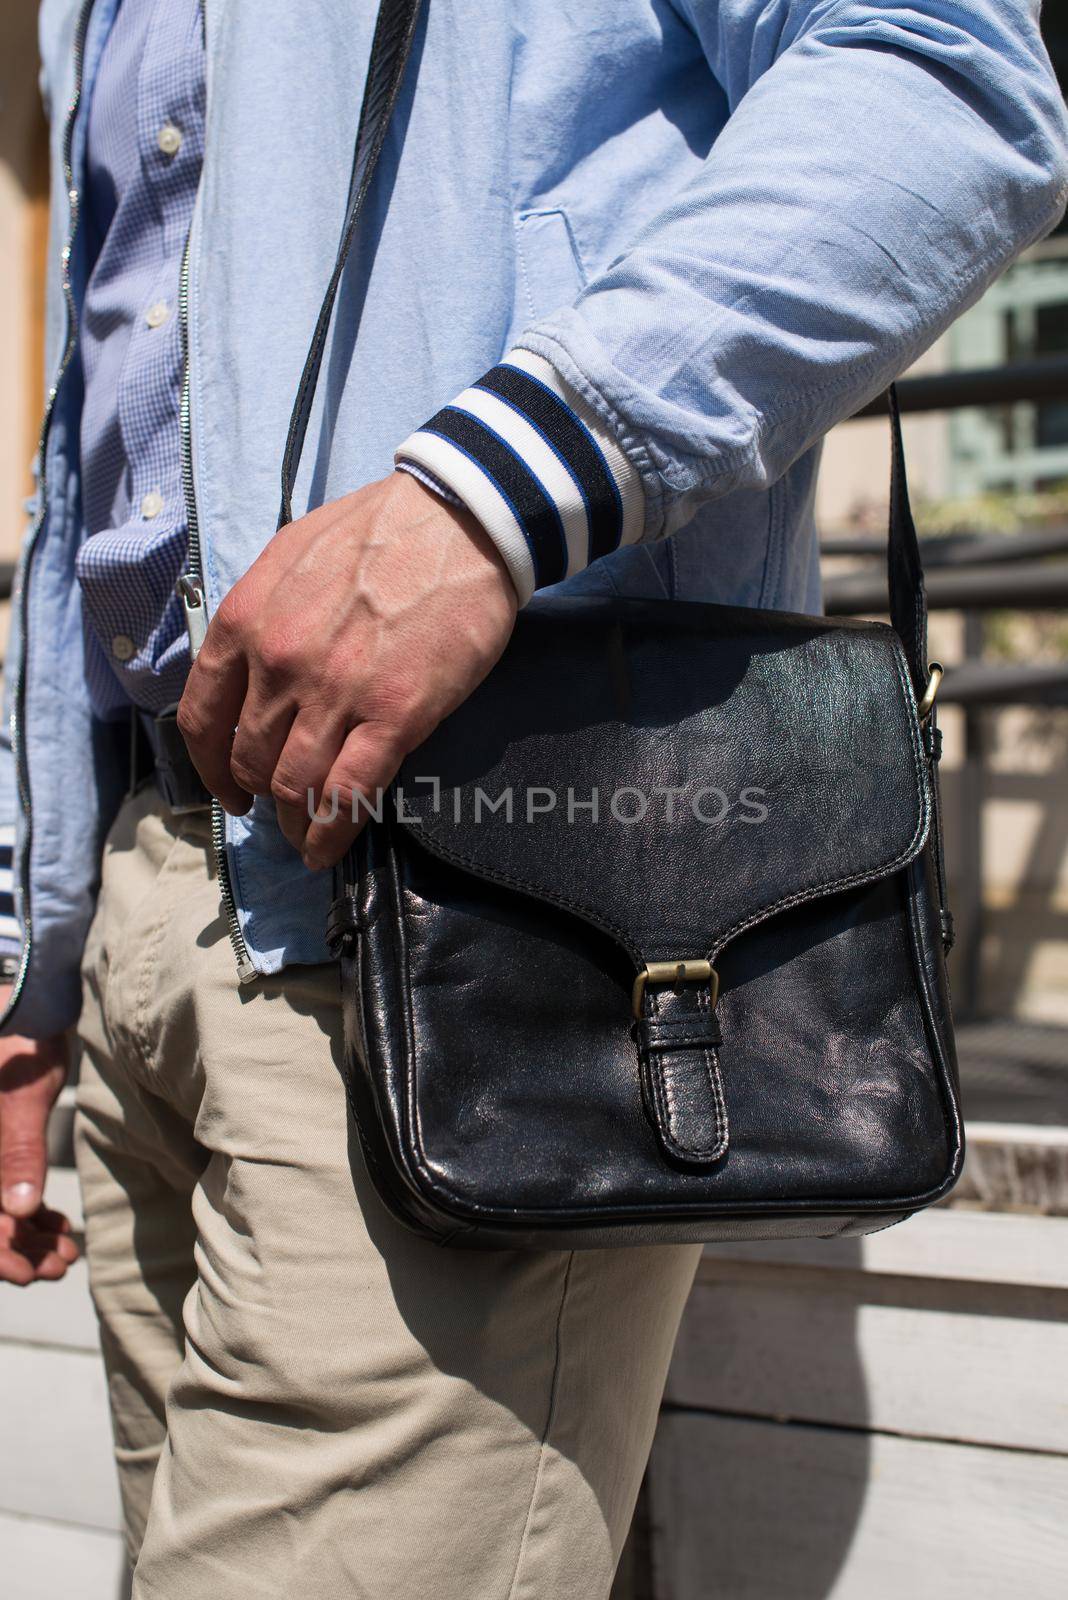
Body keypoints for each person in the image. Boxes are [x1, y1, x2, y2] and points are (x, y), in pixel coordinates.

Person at [0, 1, 1064, 1594]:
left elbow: (952, 86)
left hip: (483, 909)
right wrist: (44, 945)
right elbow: (109, 423)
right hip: (161, 906)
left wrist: (488, 492)